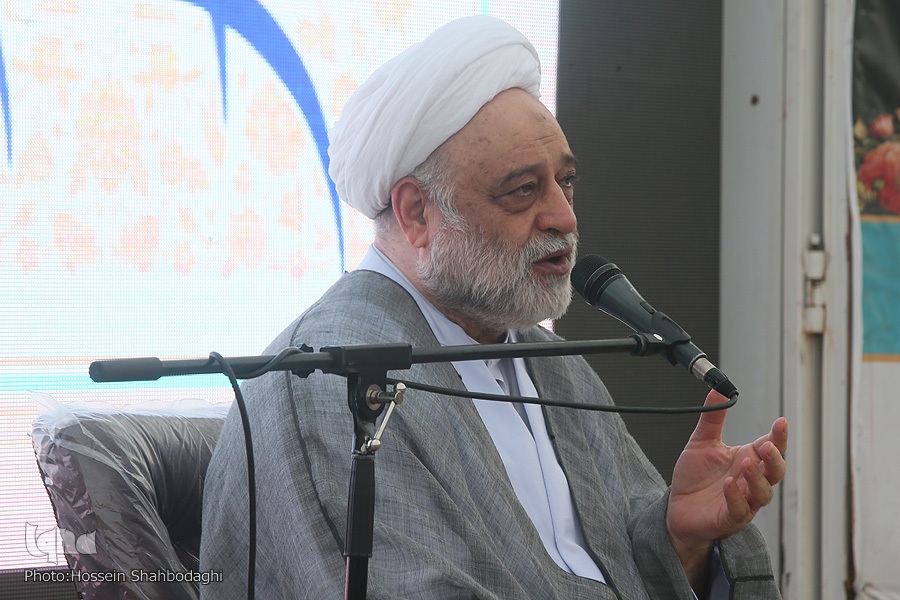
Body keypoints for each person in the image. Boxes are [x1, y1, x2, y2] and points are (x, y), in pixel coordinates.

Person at [200, 16, 788, 600]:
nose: (564, 217)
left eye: (565, 182)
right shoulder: (333, 379)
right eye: (523, 190)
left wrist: (680, 539)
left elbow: (605, 567)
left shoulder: (553, 364)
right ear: (417, 213)